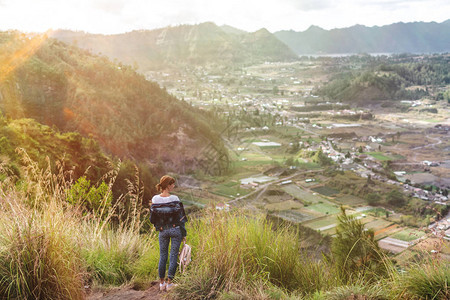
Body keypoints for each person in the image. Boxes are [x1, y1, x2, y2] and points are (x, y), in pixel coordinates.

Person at [151, 175, 187, 292]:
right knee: (173, 256)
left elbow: (152, 219)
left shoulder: (155, 199)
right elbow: (181, 218)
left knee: (163, 256)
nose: (174, 186)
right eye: (172, 184)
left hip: (162, 230)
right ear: (168, 185)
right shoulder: (175, 199)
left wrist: (159, 226)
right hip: (175, 229)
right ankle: (169, 284)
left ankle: (161, 284)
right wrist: (184, 234)